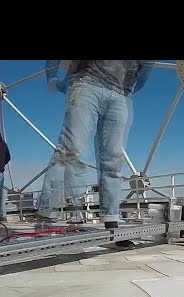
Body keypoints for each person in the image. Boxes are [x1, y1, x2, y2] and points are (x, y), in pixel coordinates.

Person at [36, 60, 153, 246]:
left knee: (113, 160)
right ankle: (45, 214)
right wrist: (53, 78)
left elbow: (146, 67)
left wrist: (127, 90)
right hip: (87, 85)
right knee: (70, 150)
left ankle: (111, 221)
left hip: (119, 97)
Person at [0, 130, 10, 222]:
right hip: (1, 172)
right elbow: (8, 157)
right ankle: (2, 216)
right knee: (1, 195)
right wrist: (2, 164)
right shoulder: (3, 144)